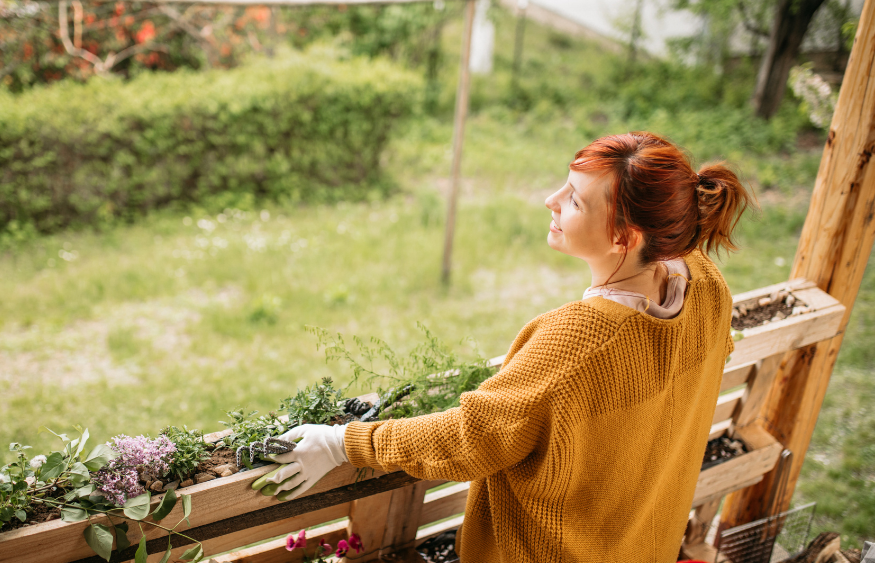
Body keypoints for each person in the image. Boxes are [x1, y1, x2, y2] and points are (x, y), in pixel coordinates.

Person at [259, 131, 755, 562]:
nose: (550, 199)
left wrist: (339, 442)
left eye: (576, 200)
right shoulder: (707, 284)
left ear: (624, 236)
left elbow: (469, 438)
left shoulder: (578, 342)